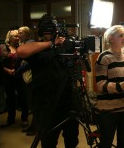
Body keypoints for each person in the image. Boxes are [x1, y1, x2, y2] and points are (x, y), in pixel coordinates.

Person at [17, 14, 79, 148]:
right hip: (46, 104)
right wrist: (52, 43)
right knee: (48, 141)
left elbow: (84, 67)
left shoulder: (66, 45)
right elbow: (21, 51)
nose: (49, 32)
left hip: (68, 101)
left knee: (72, 140)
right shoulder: (37, 48)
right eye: (47, 28)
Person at [95, 25, 124, 148]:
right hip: (109, 109)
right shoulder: (104, 57)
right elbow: (101, 85)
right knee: (106, 142)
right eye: (121, 36)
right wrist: (123, 85)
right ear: (111, 39)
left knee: (123, 141)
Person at [0, 28, 29, 128]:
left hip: (19, 75)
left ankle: (24, 118)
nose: (17, 37)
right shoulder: (2, 48)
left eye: (18, 35)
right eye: (15, 36)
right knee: (10, 98)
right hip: (8, 76)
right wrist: (7, 70)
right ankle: (11, 119)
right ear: (9, 38)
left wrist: (17, 70)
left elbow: (25, 61)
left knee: (23, 97)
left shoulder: (22, 46)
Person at [18, 26, 37, 136]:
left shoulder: (30, 44)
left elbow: (28, 62)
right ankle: (32, 126)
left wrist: (18, 70)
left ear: (27, 34)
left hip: (31, 77)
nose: (18, 35)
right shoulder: (24, 43)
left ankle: (35, 127)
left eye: (21, 33)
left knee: (33, 103)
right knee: (31, 103)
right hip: (26, 77)